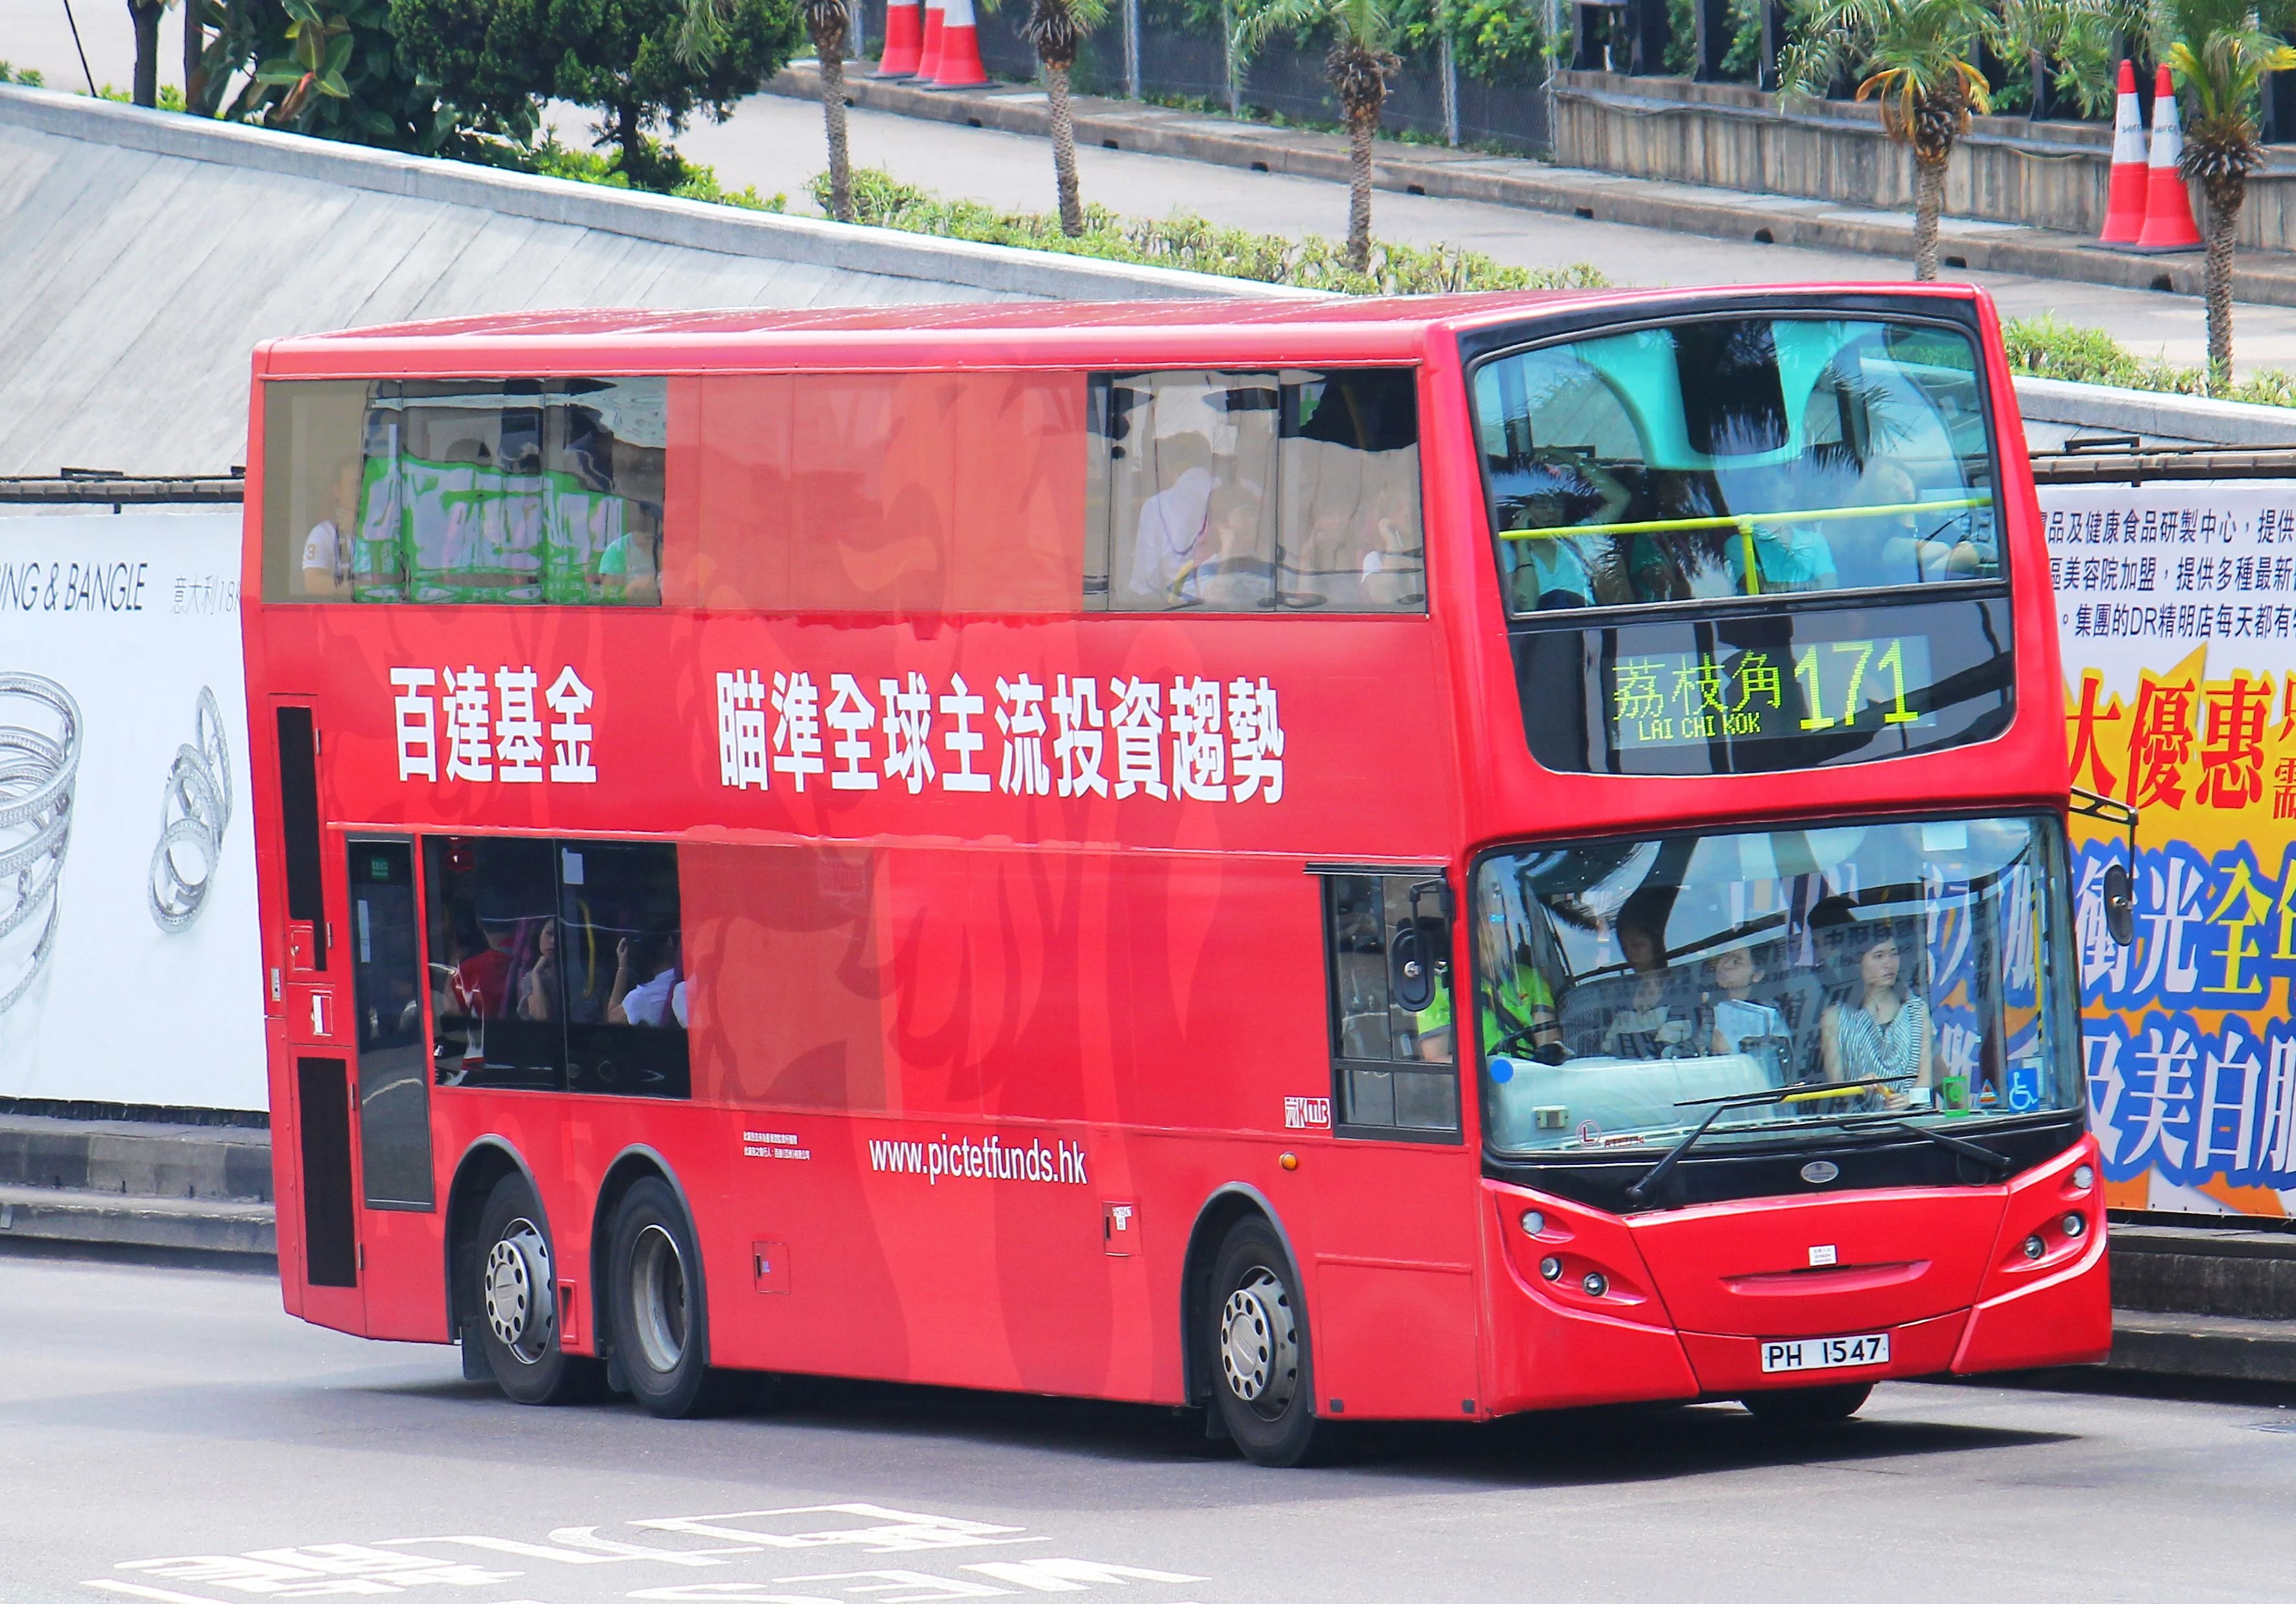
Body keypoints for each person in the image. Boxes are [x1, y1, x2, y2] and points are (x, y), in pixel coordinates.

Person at [1820, 921, 1934, 1105]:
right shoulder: (1834, 1017)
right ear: (1857, 962)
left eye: (1894, 954)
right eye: (1878, 956)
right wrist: (1858, 1087)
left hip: (1915, 1122)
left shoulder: (1917, 1010)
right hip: (1862, 1127)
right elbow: (1835, 1088)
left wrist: (1907, 1100)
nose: (1889, 964)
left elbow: (1926, 1079)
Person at [1127, 433, 1216, 603]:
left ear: (1168, 467)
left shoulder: (1156, 506)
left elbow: (1146, 581)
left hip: (1179, 610)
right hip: (1234, 603)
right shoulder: (1234, 495)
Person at [298, 460, 361, 599]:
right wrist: (361, 588)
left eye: (367, 482)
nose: (362, 489)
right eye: (355, 484)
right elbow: (314, 583)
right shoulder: (324, 533)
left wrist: (363, 533)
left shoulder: (388, 531)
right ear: (337, 491)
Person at [610, 931, 688, 1029]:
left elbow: (612, 1018)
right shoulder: (691, 978)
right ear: (670, 943)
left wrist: (622, 968)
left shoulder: (641, 997)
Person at [517, 920, 559, 1021]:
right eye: (549, 934)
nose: (553, 941)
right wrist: (536, 974)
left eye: (559, 936)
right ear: (539, 936)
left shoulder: (585, 975)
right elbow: (541, 1015)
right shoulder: (530, 979)